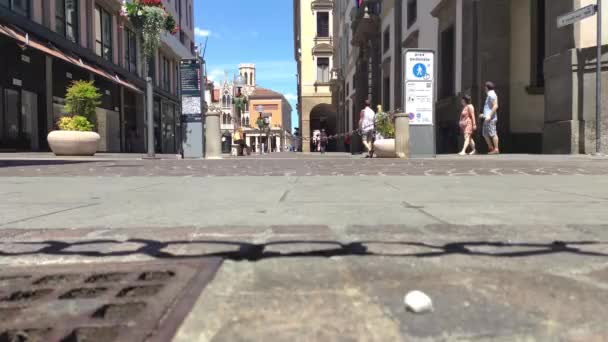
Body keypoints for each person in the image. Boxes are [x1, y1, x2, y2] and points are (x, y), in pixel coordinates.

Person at [480, 81, 500, 154]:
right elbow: (489, 107)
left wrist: (489, 115)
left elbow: (495, 105)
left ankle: (496, 149)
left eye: (485, 87)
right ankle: (491, 148)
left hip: (491, 119)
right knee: (485, 134)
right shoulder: (489, 95)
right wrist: (484, 114)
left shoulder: (492, 94)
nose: (484, 89)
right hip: (487, 118)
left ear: (486, 88)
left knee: (493, 133)